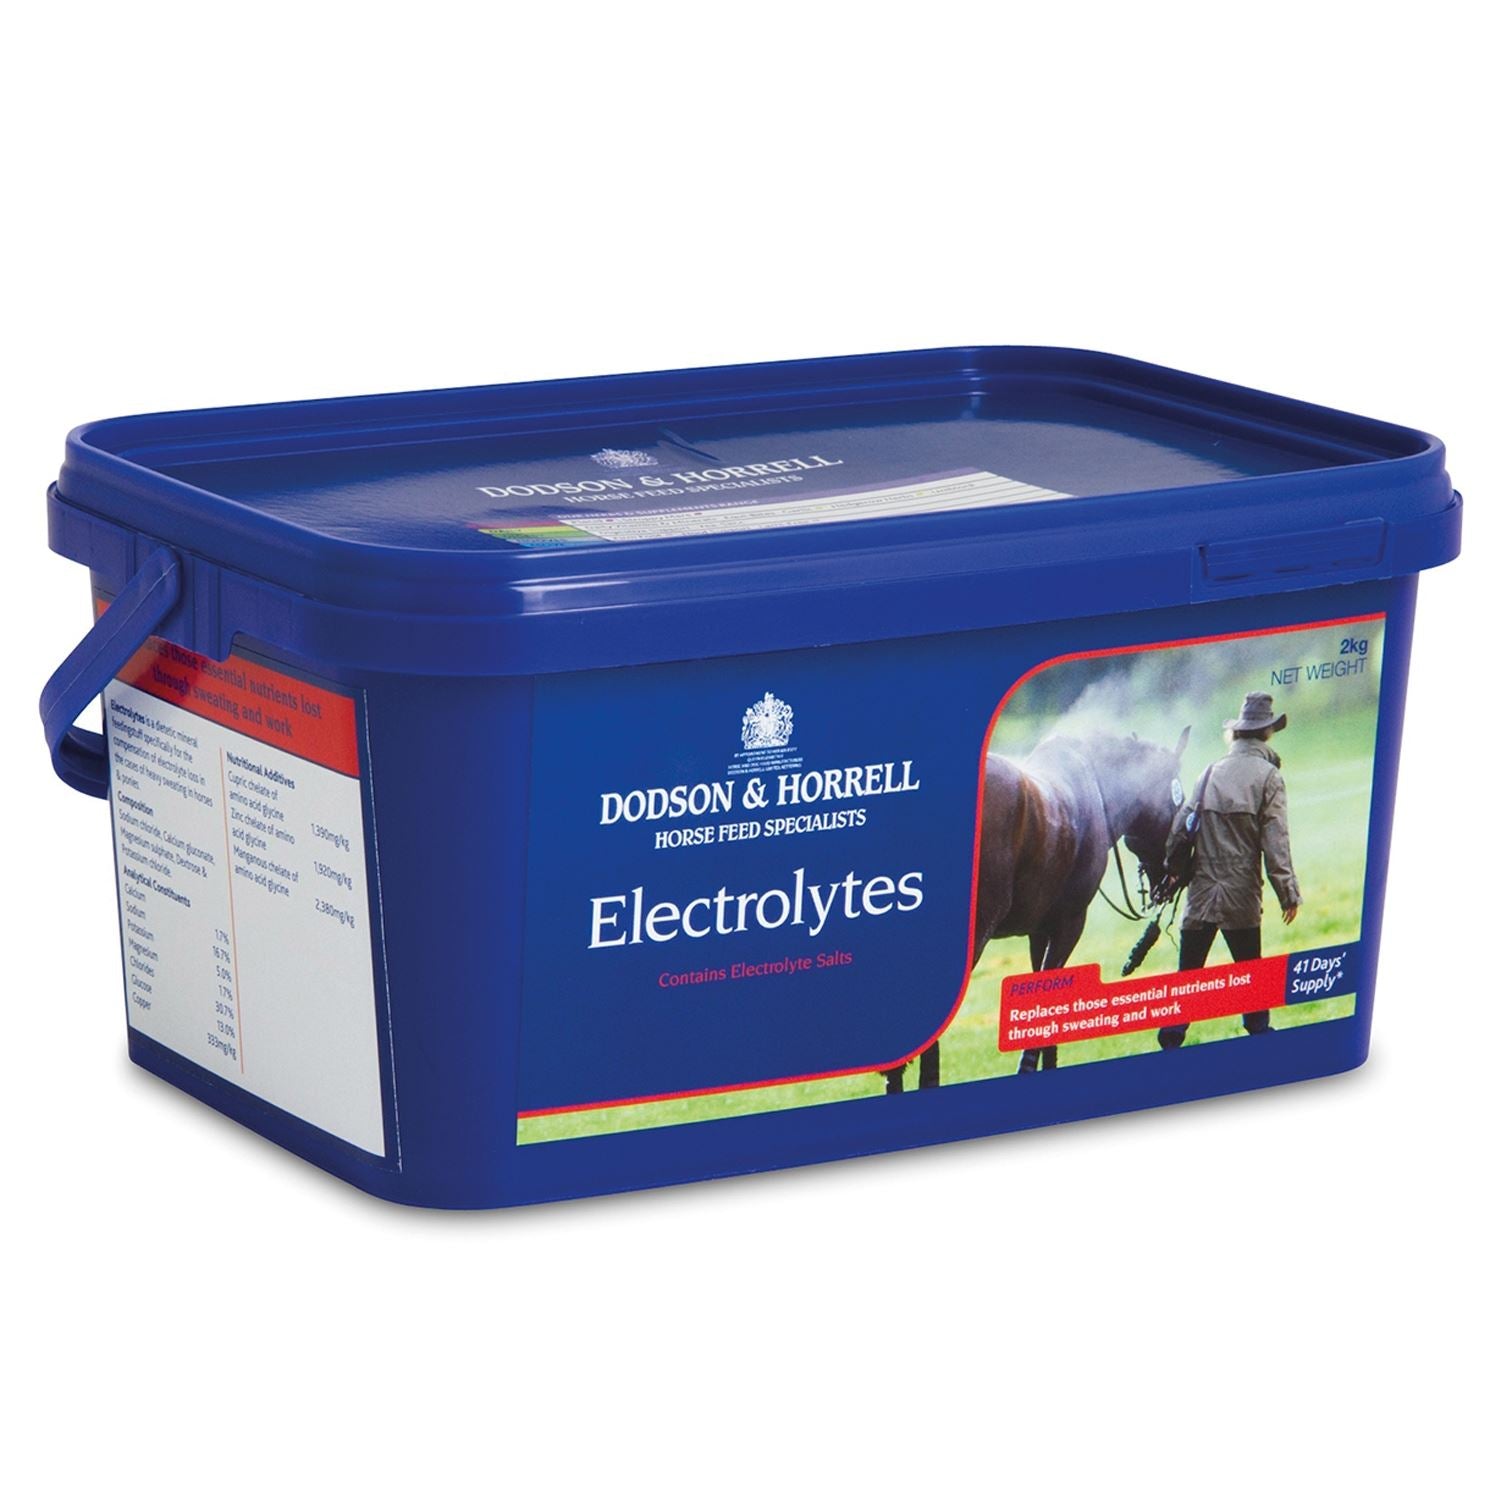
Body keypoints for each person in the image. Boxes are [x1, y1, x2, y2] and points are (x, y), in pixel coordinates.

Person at [1159, 691, 1301, 1048]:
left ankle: (1170, 1042)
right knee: (1251, 976)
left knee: (1186, 979)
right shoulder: (1269, 777)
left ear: (1237, 732)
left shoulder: (1209, 772)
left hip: (1202, 893)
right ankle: (1260, 1039)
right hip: (1241, 895)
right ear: (1267, 732)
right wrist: (1288, 893)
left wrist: (1173, 869)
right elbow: (1276, 842)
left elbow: (1181, 829)